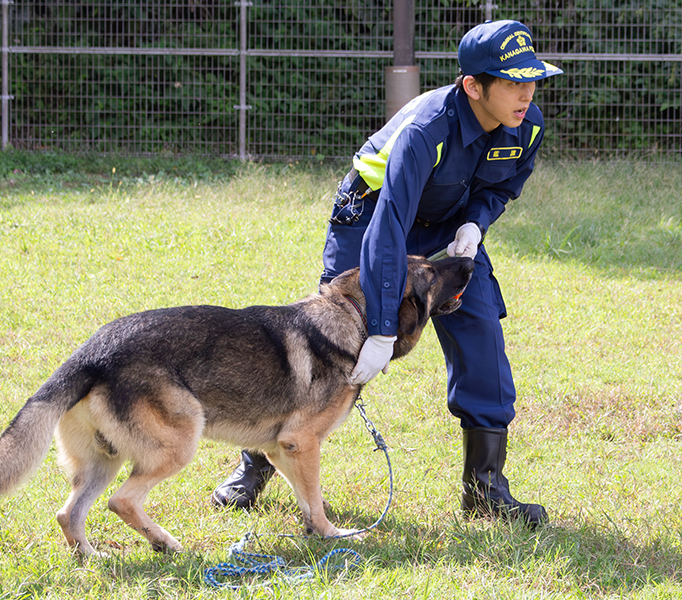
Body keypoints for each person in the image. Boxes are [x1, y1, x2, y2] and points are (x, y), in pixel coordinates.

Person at [211, 20, 563, 527]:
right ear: (473, 86)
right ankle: (255, 466)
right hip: (374, 218)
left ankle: (484, 489)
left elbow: (501, 189)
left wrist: (473, 224)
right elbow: (389, 228)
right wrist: (377, 329)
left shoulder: (527, 124)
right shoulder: (427, 131)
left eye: (531, 80)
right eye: (512, 82)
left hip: (446, 227)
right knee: (329, 348)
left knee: (481, 333)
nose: (526, 93)